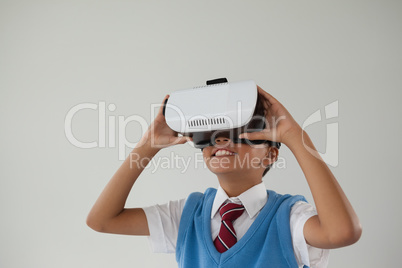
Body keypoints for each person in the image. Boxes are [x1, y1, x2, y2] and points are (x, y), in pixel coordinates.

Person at [86, 85, 362, 267]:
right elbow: (101, 220)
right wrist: (147, 145)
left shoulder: (289, 219)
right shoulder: (187, 216)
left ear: (271, 155)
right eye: (210, 136)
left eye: (241, 133)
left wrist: (294, 136)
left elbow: (342, 232)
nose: (220, 141)